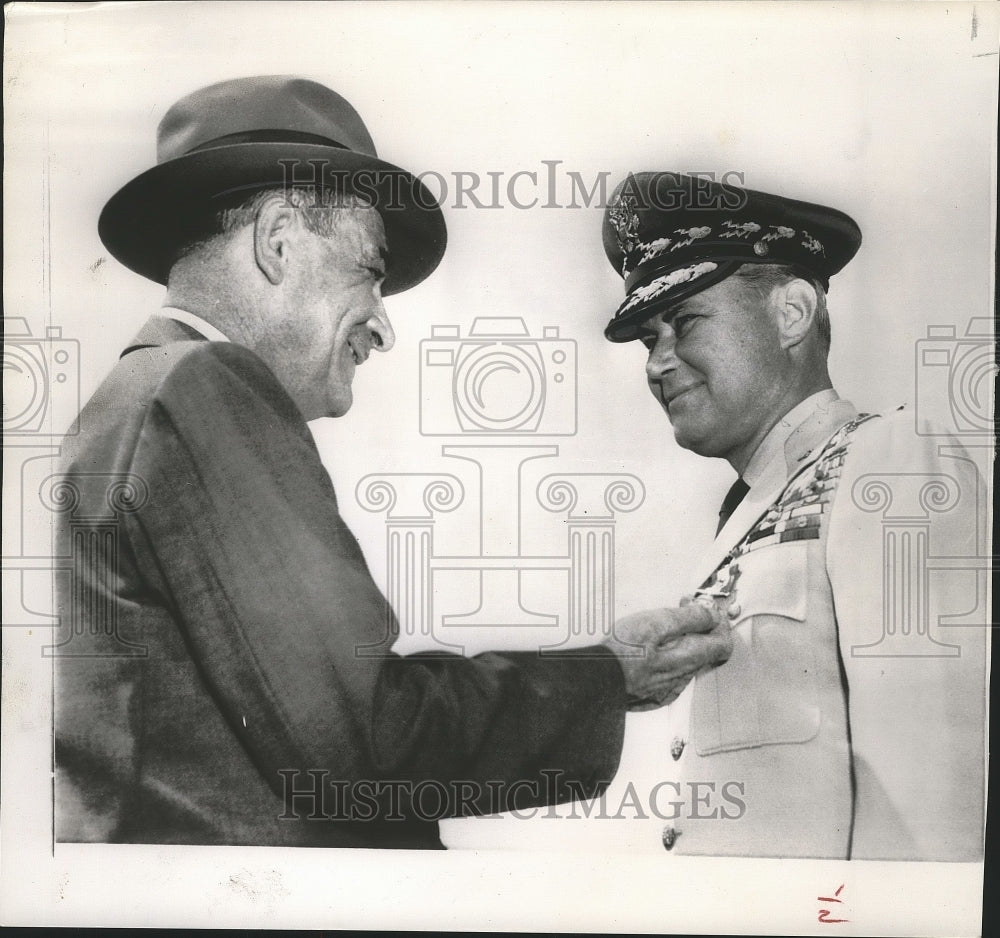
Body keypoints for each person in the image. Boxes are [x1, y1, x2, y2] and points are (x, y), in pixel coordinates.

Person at [53, 78, 733, 848]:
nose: (382, 328)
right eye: (369, 274)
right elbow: (369, 743)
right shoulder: (207, 386)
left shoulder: (126, 399)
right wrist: (608, 674)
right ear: (278, 241)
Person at [600, 171, 986, 860]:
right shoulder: (746, 514)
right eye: (646, 341)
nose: (658, 363)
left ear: (791, 313)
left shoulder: (888, 464)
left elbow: (933, 805)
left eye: (684, 322)